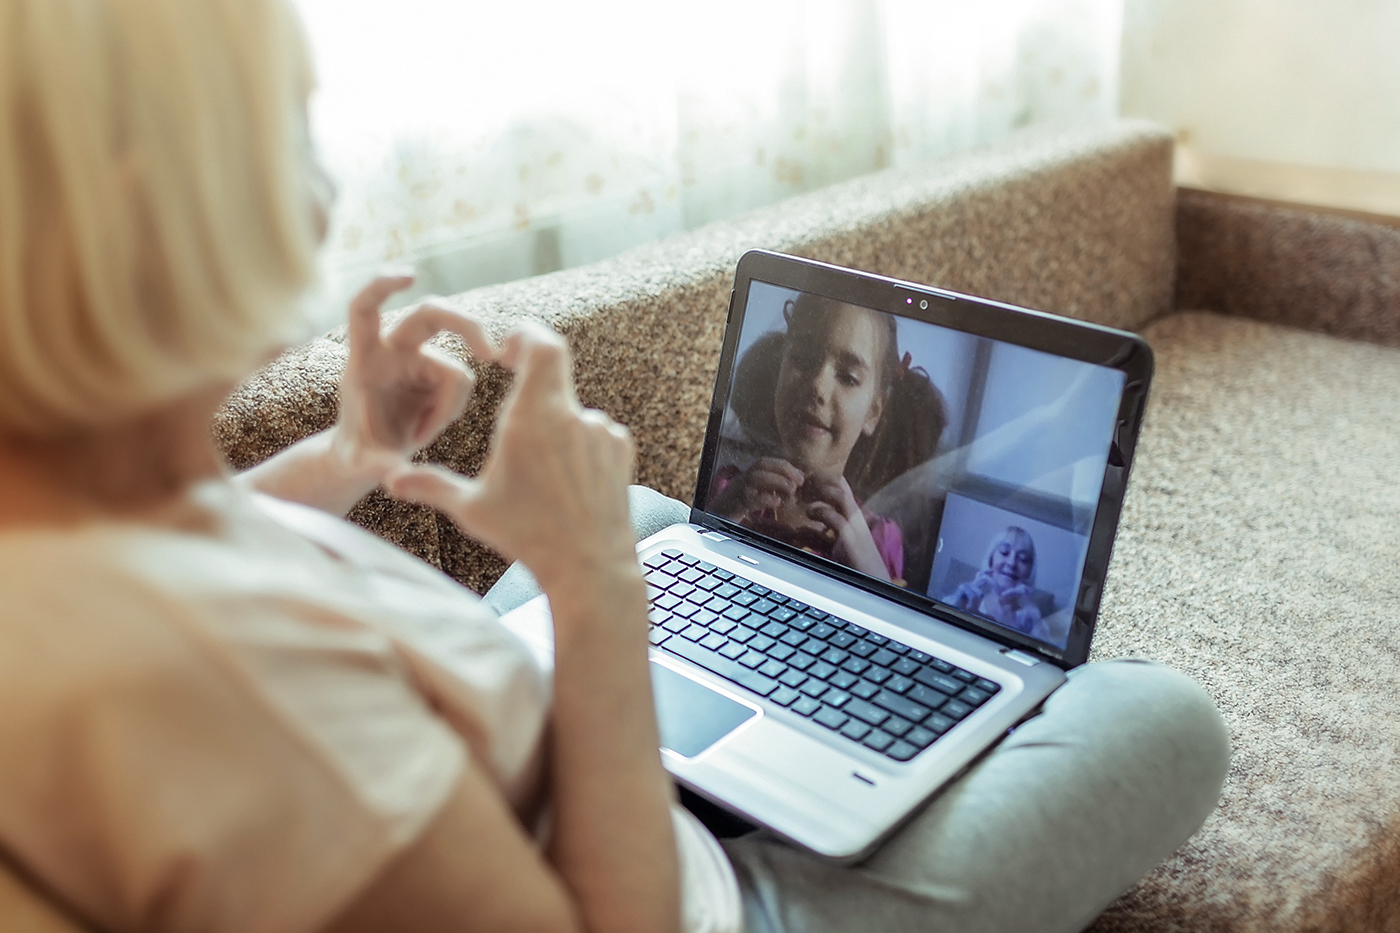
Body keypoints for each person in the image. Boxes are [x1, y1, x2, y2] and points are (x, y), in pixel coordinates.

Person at [0, 2, 1231, 932]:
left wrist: (351, 455)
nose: (320, 199)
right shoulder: (244, 700)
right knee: (1161, 717)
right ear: (151, 207)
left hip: (529, 755)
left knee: (657, 516)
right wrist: (592, 589)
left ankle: (745, 699)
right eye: (283, 133)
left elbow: (187, 540)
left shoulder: (59, 524)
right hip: (691, 893)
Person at [708, 294, 947, 585]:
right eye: (803, 359)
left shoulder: (877, 539)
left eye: (847, 377)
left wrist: (873, 576)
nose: (817, 387)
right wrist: (722, 515)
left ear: (874, 411)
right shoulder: (731, 491)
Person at [948, 525, 1052, 640]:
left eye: (1023, 558)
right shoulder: (966, 601)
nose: (1012, 563)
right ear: (991, 560)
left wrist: (1034, 626)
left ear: (1029, 571)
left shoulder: (1031, 621)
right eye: (1004, 552)